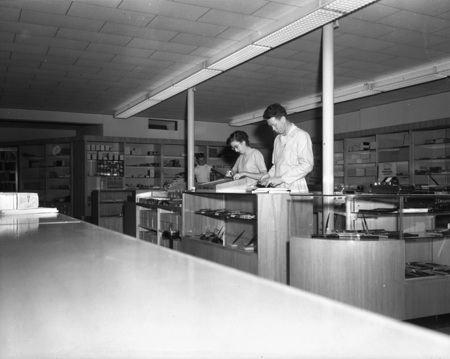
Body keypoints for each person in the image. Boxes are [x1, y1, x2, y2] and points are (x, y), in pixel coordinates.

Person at [259, 103, 313, 193]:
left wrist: (282, 178)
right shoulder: (277, 139)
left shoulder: (301, 136)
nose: (273, 129)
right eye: (271, 126)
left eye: (275, 125)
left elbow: (307, 165)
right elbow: (277, 165)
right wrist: (269, 175)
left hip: (295, 186)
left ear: (283, 119)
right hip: (279, 187)